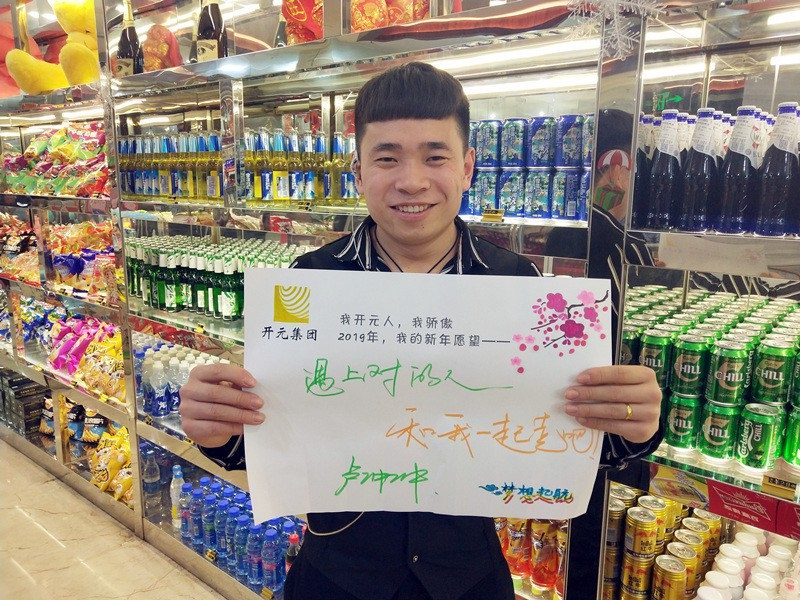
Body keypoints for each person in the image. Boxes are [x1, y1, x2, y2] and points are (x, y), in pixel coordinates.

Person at [179, 62, 663, 600]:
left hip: (470, 579)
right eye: (387, 158)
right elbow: (270, 440)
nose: (412, 181)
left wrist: (633, 424)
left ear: (467, 168)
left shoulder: (519, 288)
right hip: (335, 578)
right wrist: (218, 430)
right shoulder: (310, 283)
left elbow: (571, 438)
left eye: (436, 157)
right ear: (358, 171)